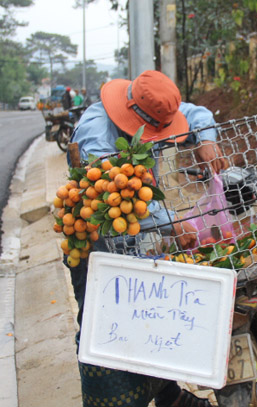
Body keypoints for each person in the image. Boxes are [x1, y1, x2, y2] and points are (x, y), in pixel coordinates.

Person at [65, 70, 228, 407]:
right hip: (101, 241)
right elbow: (113, 191)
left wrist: (206, 139)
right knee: (103, 319)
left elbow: (197, 114)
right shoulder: (96, 132)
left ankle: (168, 396)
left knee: (150, 312)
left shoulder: (152, 106)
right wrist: (171, 223)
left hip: (138, 239)